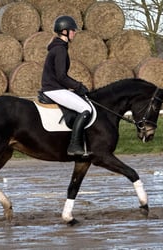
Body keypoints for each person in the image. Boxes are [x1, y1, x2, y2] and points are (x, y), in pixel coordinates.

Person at [40, 15, 92, 156]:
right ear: (64, 31)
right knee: (86, 109)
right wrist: (78, 86)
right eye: (72, 30)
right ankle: (74, 145)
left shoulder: (59, 47)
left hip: (54, 87)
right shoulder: (60, 50)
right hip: (54, 89)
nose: (74, 33)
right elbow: (61, 76)